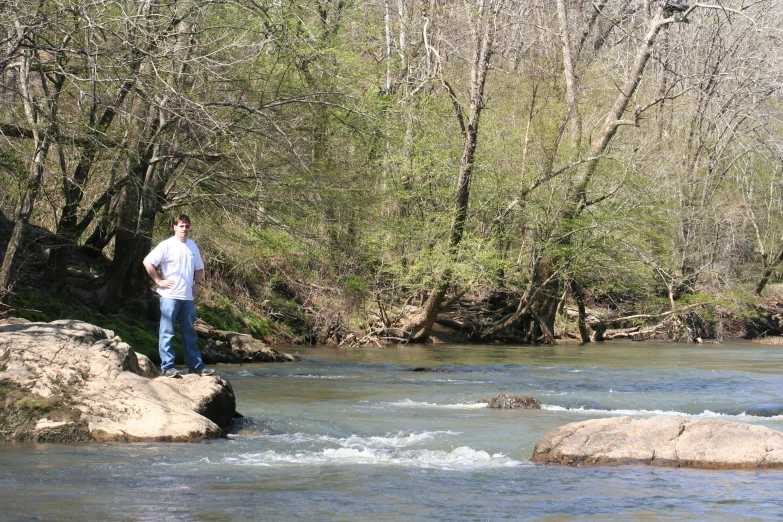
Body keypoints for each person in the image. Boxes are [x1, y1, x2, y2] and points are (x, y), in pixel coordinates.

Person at [143, 214, 215, 378]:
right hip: (169, 296)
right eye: (181, 226)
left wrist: (197, 284)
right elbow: (148, 262)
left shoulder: (192, 246)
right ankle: (168, 367)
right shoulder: (166, 245)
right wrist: (158, 280)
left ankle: (196, 367)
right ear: (174, 227)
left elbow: (200, 268)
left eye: (187, 226)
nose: (184, 229)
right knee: (167, 332)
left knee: (189, 333)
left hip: (187, 298)